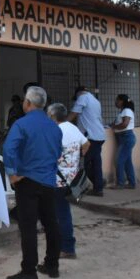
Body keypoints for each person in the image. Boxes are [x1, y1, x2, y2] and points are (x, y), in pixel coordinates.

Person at [3, 86, 62, 279]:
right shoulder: (54, 126)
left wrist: (12, 173)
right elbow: (57, 152)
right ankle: (52, 265)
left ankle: (29, 271)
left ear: (27, 103)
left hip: (27, 180)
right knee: (51, 223)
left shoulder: (21, 124)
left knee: (28, 227)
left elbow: (9, 149)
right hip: (48, 180)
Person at [47, 103, 89, 260]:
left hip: (57, 181)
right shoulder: (72, 128)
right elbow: (86, 144)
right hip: (72, 179)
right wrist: (75, 160)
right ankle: (66, 245)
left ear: (52, 116)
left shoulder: (55, 131)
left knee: (60, 214)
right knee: (63, 213)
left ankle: (67, 248)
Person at [68, 86, 106, 197]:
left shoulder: (82, 97)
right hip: (99, 136)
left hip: (90, 137)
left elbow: (73, 114)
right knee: (96, 163)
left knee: (82, 164)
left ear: (78, 93)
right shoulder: (95, 101)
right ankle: (98, 186)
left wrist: (61, 124)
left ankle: (81, 190)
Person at [110, 94, 137, 189]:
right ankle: (132, 183)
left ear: (122, 101)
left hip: (126, 138)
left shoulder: (127, 110)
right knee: (127, 162)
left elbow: (125, 124)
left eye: (117, 100)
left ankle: (120, 183)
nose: (116, 102)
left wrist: (114, 127)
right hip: (123, 138)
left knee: (119, 160)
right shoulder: (122, 112)